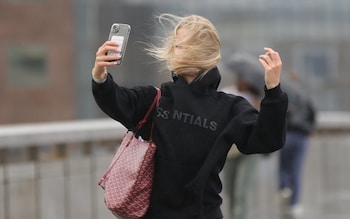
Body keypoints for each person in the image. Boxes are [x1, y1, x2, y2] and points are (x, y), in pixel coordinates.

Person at [91, 14, 288, 219]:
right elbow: (115, 100)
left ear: (202, 52)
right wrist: (100, 75)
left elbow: (267, 139)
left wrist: (273, 90)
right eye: (176, 45)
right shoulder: (156, 99)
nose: (175, 50)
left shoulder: (230, 107)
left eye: (181, 45)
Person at [221, 53, 266, 219]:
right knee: (230, 189)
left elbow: (263, 127)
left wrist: (259, 109)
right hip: (231, 149)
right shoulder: (228, 94)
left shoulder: (258, 100)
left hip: (251, 150)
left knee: (243, 189)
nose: (241, 80)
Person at [278, 72, 317, 218]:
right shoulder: (305, 97)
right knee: (296, 169)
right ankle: (294, 203)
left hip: (287, 134)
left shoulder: (285, 97)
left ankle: (284, 186)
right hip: (302, 136)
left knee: (284, 165)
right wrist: (310, 129)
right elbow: (313, 114)